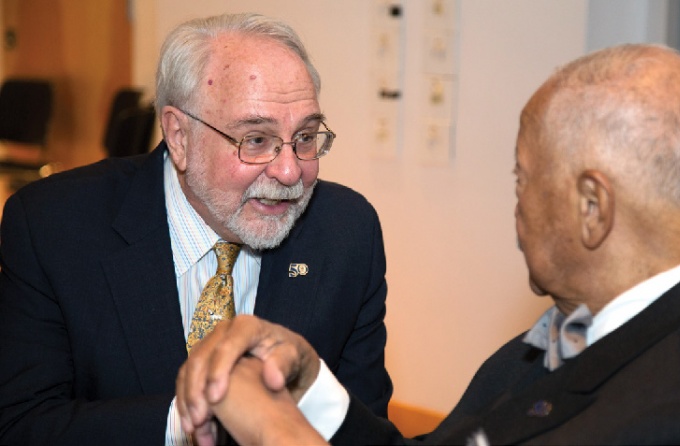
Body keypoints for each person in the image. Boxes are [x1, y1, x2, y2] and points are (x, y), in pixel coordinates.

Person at [176, 43, 680, 445]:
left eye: (521, 179)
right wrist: (311, 383)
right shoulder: (555, 339)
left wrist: (276, 431)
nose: (517, 209)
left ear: (592, 209)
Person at [0, 12, 393, 445]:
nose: (289, 170)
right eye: (256, 139)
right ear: (179, 135)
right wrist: (192, 417)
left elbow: (364, 433)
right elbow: (23, 425)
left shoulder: (346, 234)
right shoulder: (53, 227)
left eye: (304, 137)